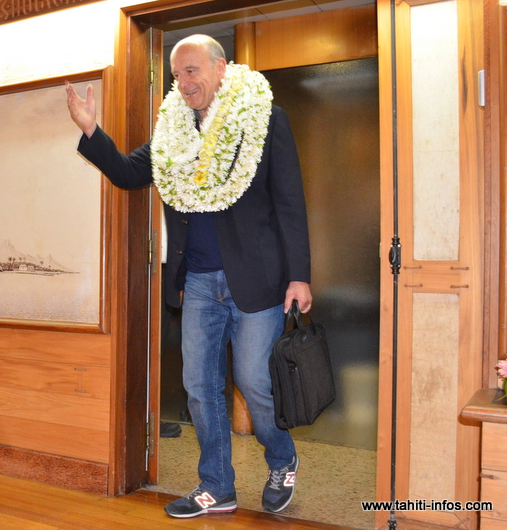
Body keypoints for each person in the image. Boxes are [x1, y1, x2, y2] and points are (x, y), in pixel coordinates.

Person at [66, 34, 312, 518]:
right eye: (178, 74)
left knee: (254, 381)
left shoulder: (265, 119)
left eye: (193, 70)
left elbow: (289, 202)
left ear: (221, 69)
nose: (184, 82)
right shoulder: (173, 131)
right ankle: (216, 486)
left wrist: (299, 276)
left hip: (258, 280)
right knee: (199, 386)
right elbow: (128, 172)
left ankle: (282, 459)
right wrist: (91, 129)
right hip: (198, 280)